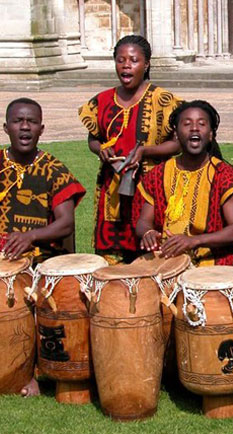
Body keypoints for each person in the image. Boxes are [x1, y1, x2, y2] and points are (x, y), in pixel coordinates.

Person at [0, 97, 86, 395]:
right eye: (18, 121)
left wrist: (30, 237)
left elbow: (66, 224)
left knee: (39, 310)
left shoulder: (53, 169)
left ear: (41, 129)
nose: (25, 127)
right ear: (6, 127)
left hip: (40, 261)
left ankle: (31, 372)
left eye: (31, 122)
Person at [78, 35, 181, 265]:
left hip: (152, 190)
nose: (126, 65)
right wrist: (101, 150)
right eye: (120, 60)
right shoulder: (102, 100)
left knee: (152, 260)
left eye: (133, 60)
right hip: (111, 193)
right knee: (112, 266)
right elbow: (93, 138)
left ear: (146, 65)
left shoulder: (163, 100)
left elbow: (178, 143)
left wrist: (145, 151)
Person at [134, 100, 233, 266]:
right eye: (186, 124)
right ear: (176, 134)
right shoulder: (158, 174)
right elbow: (143, 221)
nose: (194, 128)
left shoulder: (224, 175)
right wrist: (147, 232)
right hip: (167, 259)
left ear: (211, 134)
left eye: (202, 123)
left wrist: (193, 241)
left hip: (212, 262)